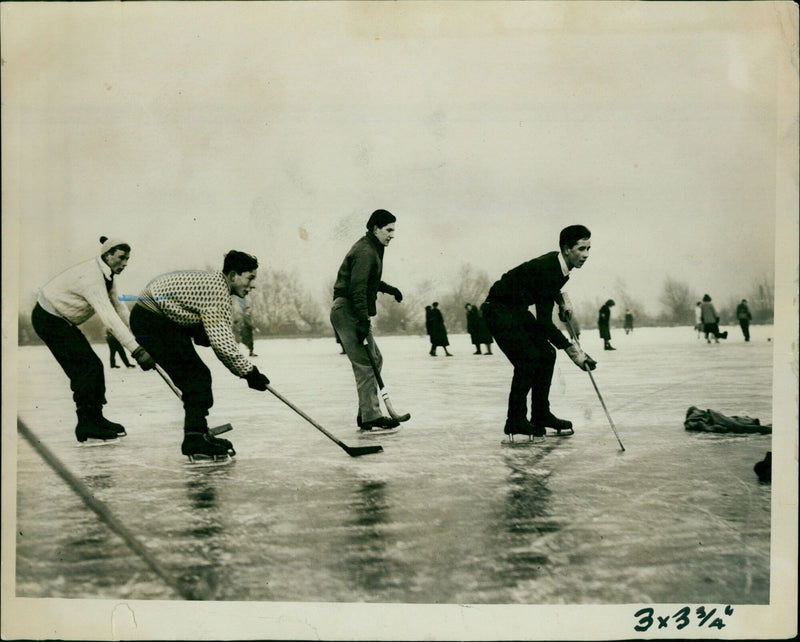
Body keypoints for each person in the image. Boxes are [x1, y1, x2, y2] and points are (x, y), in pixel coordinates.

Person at [129, 250, 270, 460]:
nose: (252, 285)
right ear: (232, 276)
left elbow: (197, 319)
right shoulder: (217, 292)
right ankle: (195, 438)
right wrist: (249, 373)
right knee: (196, 377)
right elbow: (224, 345)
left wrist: (200, 331)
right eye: (249, 278)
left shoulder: (216, 285)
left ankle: (198, 432)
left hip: (160, 318)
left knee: (196, 375)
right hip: (152, 320)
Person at [31, 236, 156, 442]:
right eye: (121, 258)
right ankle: (87, 423)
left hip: (62, 322)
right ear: (107, 255)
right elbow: (109, 317)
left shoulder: (107, 275)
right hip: (49, 319)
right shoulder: (92, 277)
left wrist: (140, 337)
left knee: (91, 366)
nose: (125, 264)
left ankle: (94, 419)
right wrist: (137, 351)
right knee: (87, 367)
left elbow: (119, 307)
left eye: (128, 259)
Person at [481, 225, 597, 438]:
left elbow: (552, 287)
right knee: (528, 358)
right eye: (581, 249)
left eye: (589, 248)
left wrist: (564, 301)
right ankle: (515, 420)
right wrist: (575, 354)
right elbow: (544, 323)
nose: (586, 255)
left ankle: (540, 414)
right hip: (498, 310)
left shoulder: (557, 266)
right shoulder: (548, 267)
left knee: (547, 353)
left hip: (515, 310)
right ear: (566, 249)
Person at [330, 209, 405, 431]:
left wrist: (389, 289)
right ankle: (371, 416)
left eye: (394, 230)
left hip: (352, 309)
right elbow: (358, 288)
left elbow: (367, 281)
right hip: (348, 309)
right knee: (365, 362)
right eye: (388, 230)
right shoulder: (365, 251)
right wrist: (362, 320)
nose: (392, 235)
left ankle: (367, 412)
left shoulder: (372, 247)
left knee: (375, 359)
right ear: (375, 229)